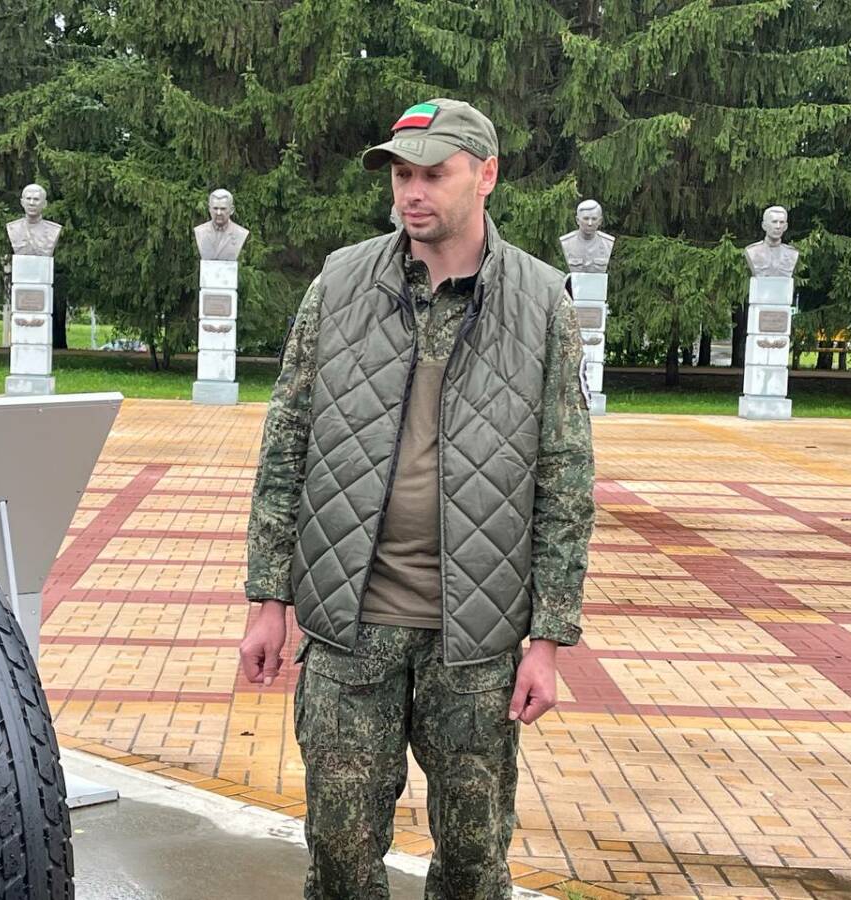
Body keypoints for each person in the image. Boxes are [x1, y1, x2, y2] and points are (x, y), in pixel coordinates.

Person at [240, 97, 595, 900]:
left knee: (473, 863)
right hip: (348, 621)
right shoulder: (341, 282)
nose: (413, 192)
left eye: (434, 174)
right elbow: (286, 442)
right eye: (402, 174)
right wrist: (267, 599)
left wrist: (548, 638)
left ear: (487, 175)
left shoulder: (540, 301)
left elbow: (565, 477)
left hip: (476, 638)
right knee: (339, 853)